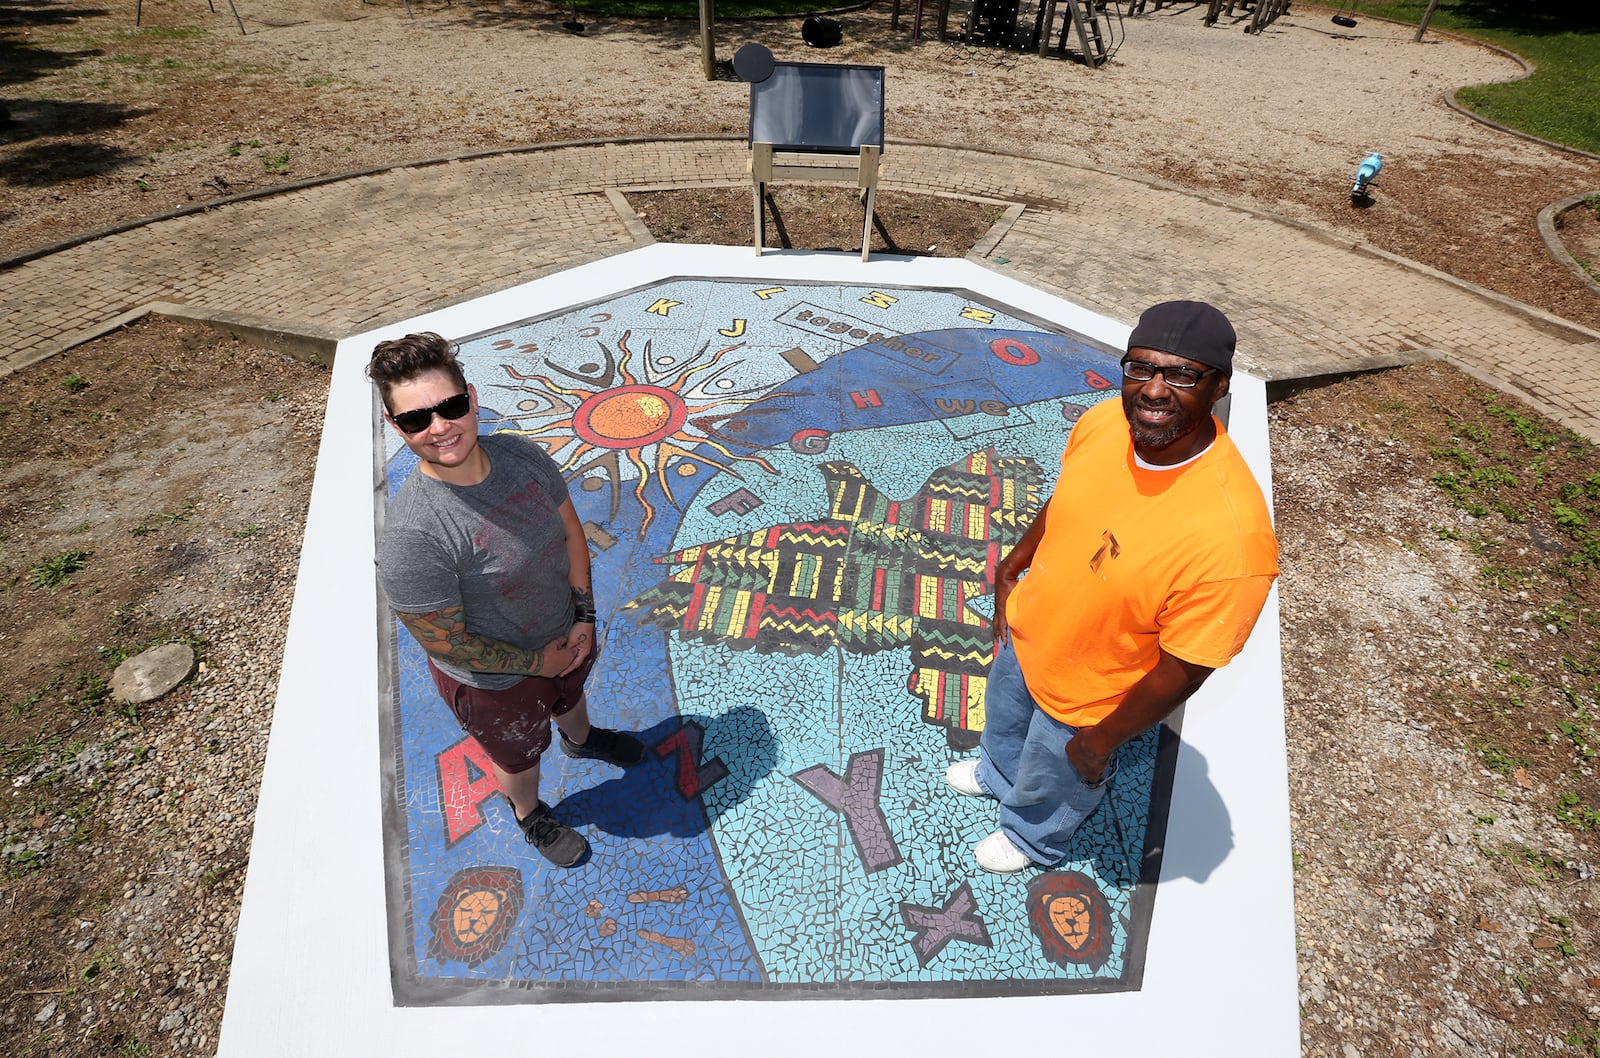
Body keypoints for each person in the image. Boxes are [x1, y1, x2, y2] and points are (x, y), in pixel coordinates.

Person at [946, 300, 1279, 873]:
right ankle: (998, 774)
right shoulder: (1104, 422)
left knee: (1060, 772)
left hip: (1091, 693)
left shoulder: (1233, 540)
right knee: (1004, 722)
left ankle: (1032, 837)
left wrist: (1101, 740)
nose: (1152, 391)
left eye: (1180, 374)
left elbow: (1186, 666)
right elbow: (1068, 497)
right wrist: (1011, 568)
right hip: (1028, 637)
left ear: (1220, 386)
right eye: (1140, 368)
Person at [368, 332, 643, 868]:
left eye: (449, 407)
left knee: (571, 695)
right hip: (495, 683)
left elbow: (570, 534)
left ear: (471, 397)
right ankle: (528, 812)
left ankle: (581, 740)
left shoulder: (521, 456)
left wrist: (584, 615)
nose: (440, 428)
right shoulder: (411, 539)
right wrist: (539, 662)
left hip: (565, 629)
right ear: (393, 425)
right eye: (416, 420)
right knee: (517, 753)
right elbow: (446, 644)